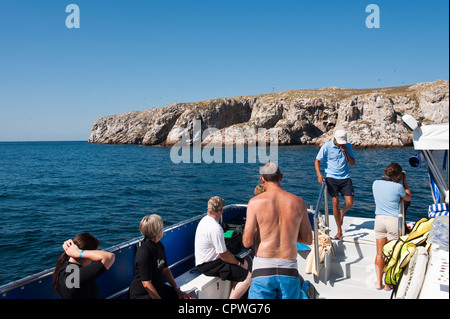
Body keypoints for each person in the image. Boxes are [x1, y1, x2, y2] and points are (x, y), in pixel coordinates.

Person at [243, 162, 312, 299]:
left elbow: (247, 242)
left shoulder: (255, 202)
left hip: (263, 267)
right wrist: (289, 234)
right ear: (281, 176)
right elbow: (308, 239)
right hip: (288, 267)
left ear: (262, 179)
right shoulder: (298, 202)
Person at [194, 196, 251, 299]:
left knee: (245, 263)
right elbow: (223, 255)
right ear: (221, 211)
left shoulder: (204, 220)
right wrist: (237, 263)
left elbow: (222, 250)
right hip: (210, 265)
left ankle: (234, 293)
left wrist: (237, 262)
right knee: (248, 277)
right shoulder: (216, 228)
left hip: (207, 261)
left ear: (208, 209)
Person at [129, 214, 192, 299]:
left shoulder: (159, 246)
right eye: (162, 226)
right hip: (143, 294)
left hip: (159, 288)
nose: (163, 228)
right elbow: (146, 283)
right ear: (157, 230)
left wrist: (177, 290)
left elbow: (165, 270)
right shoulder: (144, 252)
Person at [372, 163, 411, 290]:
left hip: (379, 220)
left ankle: (378, 283)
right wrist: (404, 182)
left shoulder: (375, 183)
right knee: (391, 254)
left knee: (380, 254)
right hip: (393, 221)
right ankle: (388, 284)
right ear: (398, 175)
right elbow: (408, 197)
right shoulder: (397, 187)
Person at [315, 129, 356, 239]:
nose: (341, 144)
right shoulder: (327, 146)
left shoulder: (348, 146)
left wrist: (345, 151)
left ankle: (342, 212)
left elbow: (352, 163)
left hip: (345, 177)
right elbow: (317, 160)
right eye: (339, 142)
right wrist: (319, 174)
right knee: (335, 201)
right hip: (331, 177)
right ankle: (339, 230)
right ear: (335, 139)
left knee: (350, 202)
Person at [52, 233, 115, 299]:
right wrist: (78, 252)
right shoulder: (75, 277)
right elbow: (109, 257)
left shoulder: (63, 265)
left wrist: (69, 245)